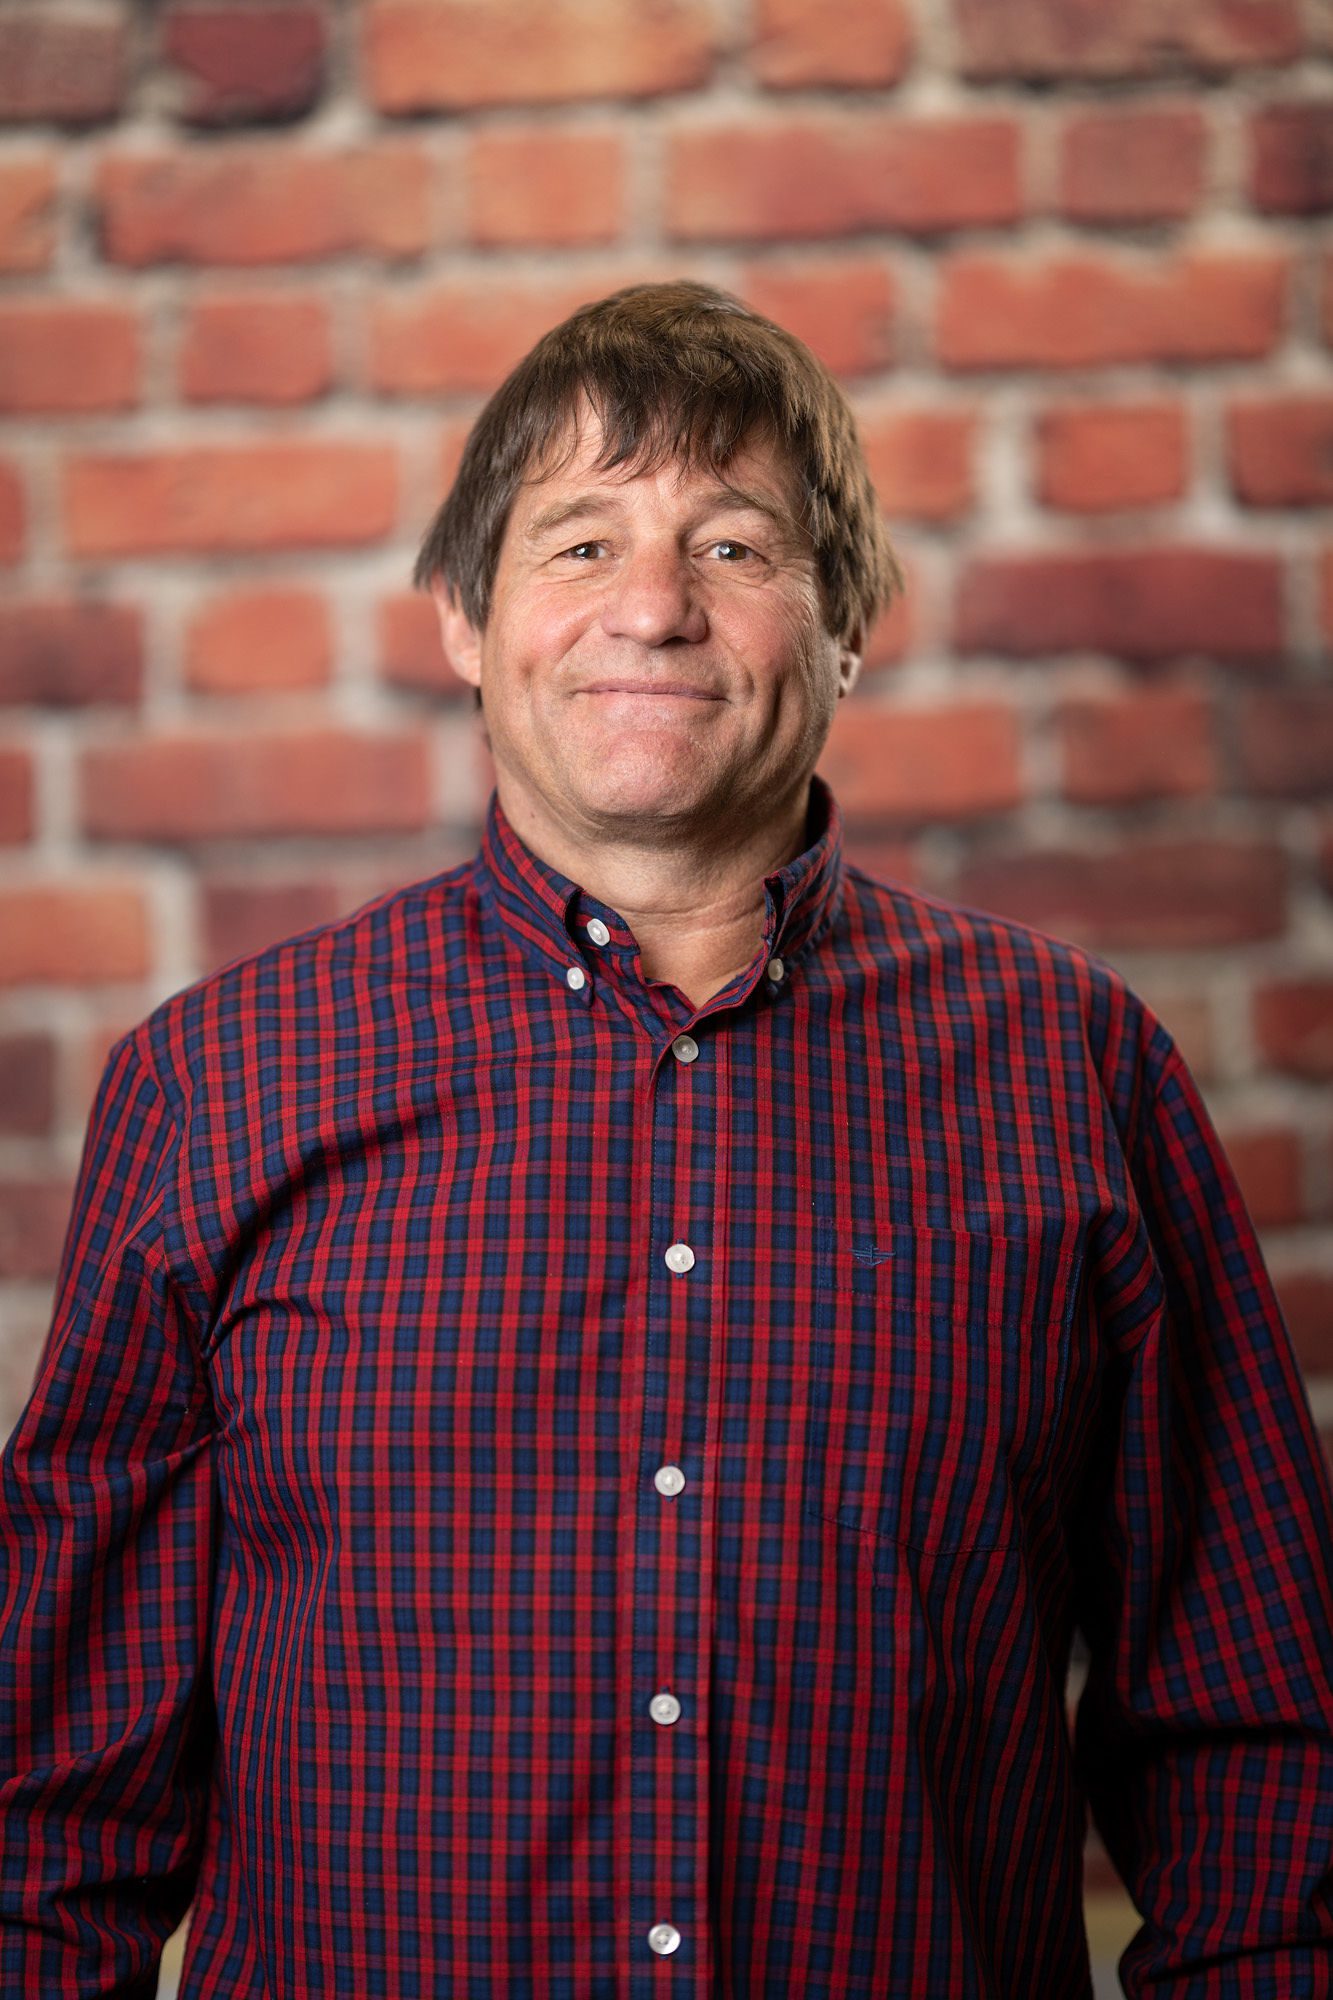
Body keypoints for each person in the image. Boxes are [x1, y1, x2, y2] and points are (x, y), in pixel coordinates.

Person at [2, 280, 1331, 2000]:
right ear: (463, 624)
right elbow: (47, 1818)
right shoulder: (225, 1081)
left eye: (731, 548)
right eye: (574, 546)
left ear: (845, 623)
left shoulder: (1074, 1071)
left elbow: (1257, 1752)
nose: (651, 609)